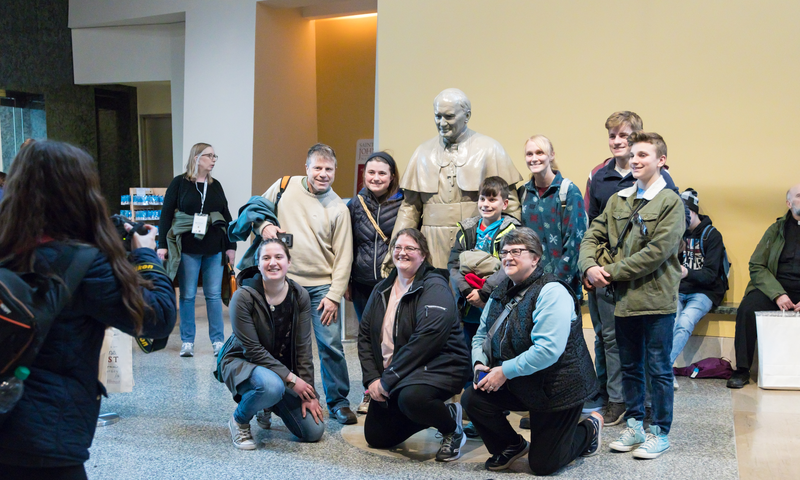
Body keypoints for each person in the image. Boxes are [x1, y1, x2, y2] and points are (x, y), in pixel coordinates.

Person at [0, 141, 177, 480]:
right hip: (46, 440)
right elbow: (158, 318)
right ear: (79, 193)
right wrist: (145, 256)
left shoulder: (8, 247)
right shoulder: (83, 265)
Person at [461, 228, 601, 474]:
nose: (508, 257)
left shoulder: (552, 292)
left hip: (558, 388)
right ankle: (511, 445)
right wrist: (479, 364)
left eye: (517, 251)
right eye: (504, 252)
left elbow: (547, 351)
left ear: (535, 258)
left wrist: (504, 371)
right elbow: (482, 334)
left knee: (543, 465)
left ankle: (589, 428)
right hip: (522, 379)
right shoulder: (499, 290)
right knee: (473, 398)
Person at [580, 131, 684, 459]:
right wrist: (588, 268)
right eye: (634, 155)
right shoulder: (618, 200)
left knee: (658, 368)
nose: (636, 161)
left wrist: (608, 273)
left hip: (656, 301)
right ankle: (635, 424)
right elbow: (591, 236)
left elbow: (657, 252)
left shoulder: (670, 202)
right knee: (630, 367)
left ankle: (660, 431)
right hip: (622, 300)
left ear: (661, 160)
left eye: (644, 156)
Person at [257, 143, 356, 424]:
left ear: (335, 171)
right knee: (282, 345)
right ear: (307, 168)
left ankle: (338, 402)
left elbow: (343, 257)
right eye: (318, 168)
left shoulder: (339, 208)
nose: (323, 174)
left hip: (322, 289)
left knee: (331, 345)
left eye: (329, 169)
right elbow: (256, 211)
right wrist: (264, 226)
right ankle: (278, 400)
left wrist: (334, 295)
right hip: (284, 285)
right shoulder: (283, 186)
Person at [358, 228, 471, 462]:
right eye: (398, 248)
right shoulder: (381, 289)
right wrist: (372, 380)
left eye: (410, 248)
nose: (402, 253)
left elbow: (426, 340)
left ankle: (451, 427)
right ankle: (437, 414)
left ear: (423, 255)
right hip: (400, 372)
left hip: (440, 366)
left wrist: (389, 379)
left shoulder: (435, 286)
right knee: (377, 436)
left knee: (412, 399)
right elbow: (365, 337)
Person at [394, 88, 523, 268]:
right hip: (431, 242)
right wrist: (396, 247)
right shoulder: (422, 153)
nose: (442, 123)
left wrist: (509, 250)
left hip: (477, 240)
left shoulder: (490, 149)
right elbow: (409, 208)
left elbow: (512, 207)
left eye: (449, 116)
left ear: (467, 116)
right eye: (438, 116)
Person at [216, 239, 325, 449]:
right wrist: (293, 380)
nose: (272, 263)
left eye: (278, 257)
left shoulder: (299, 295)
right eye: (266, 258)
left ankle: (265, 403)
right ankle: (239, 420)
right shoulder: (243, 297)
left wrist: (309, 395)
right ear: (258, 264)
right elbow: (254, 351)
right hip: (243, 361)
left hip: (279, 370)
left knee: (313, 431)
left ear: (289, 262)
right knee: (271, 386)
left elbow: (303, 349)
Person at [157, 142, 236, 358]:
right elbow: (165, 216)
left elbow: (226, 217)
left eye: (214, 156)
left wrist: (231, 246)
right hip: (188, 248)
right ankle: (187, 341)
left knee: (213, 295)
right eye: (209, 156)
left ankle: (218, 341)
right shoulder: (179, 184)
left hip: (214, 248)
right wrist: (161, 245)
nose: (213, 160)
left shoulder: (216, 185)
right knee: (188, 295)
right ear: (196, 158)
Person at [346, 151, 403, 414]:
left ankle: (393, 388)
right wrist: (346, 280)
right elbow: (346, 245)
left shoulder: (404, 203)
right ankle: (369, 391)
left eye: (382, 173)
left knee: (392, 337)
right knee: (368, 339)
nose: (376, 177)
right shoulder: (354, 205)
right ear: (364, 174)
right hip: (362, 284)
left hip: (393, 283)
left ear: (392, 176)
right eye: (371, 172)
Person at [727, 183, 800, 388]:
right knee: (747, 309)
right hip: (775, 288)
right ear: (788, 203)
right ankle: (742, 370)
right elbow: (757, 265)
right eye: (799, 196)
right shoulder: (776, 230)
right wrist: (777, 294)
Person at [519, 135, 586, 301]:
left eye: (540, 152)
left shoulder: (568, 191)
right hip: (528, 287)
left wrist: (555, 285)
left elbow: (575, 244)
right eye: (529, 154)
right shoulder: (523, 193)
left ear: (551, 155)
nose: (534, 158)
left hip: (563, 287)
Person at [672, 188, 728, 375]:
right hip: (679, 289)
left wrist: (687, 273)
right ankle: (662, 372)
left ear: (693, 212)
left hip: (705, 292)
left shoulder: (712, 236)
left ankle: (661, 370)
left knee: (684, 322)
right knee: (668, 323)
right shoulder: (677, 234)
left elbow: (711, 275)